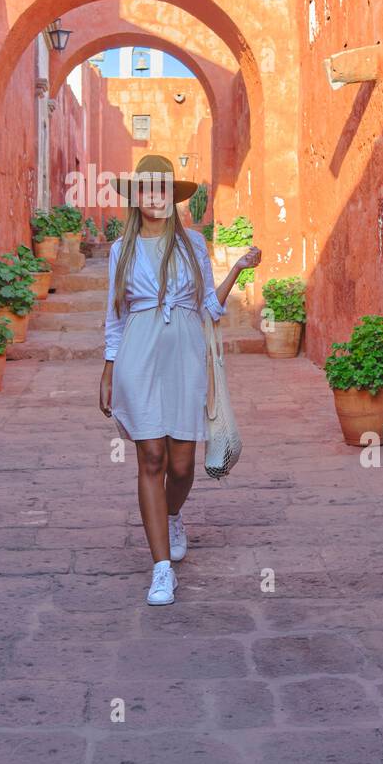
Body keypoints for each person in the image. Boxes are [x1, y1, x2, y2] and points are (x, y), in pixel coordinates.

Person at [99, 155, 261, 604]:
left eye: (163, 189)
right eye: (148, 189)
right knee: (150, 457)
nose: (157, 197)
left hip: (187, 357)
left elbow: (209, 306)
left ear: (173, 196)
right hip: (137, 355)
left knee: (182, 465)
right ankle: (161, 568)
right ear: (137, 198)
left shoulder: (192, 244)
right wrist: (109, 369)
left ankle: (171, 515)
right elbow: (116, 317)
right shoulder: (121, 250)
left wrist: (237, 270)